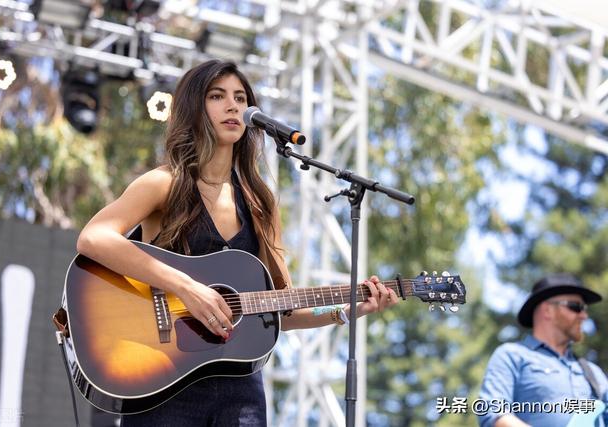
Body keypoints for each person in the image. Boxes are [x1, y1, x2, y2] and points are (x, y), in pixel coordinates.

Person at [76, 59, 398, 426]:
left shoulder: (261, 203)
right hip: (163, 381)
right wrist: (186, 288)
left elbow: (283, 309)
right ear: (194, 108)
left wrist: (345, 309)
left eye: (240, 98)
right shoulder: (163, 183)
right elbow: (93, 237)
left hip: (240, 393)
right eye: (217, 96)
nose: (233, 106)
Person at [478, 273, 608, 427]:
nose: (584, 315)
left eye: (584, 309)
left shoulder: (594, 373)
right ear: (548, 310)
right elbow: (493, 414)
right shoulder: (512, 356)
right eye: (576, 307)